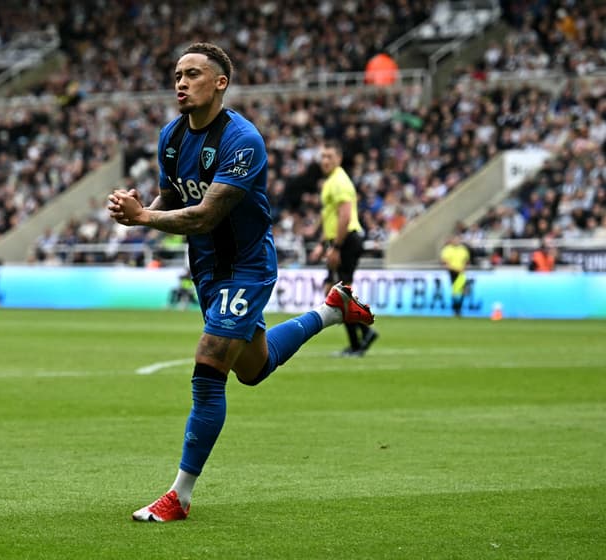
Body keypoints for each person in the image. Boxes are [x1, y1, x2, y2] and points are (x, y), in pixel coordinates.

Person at [107, 42, 374, 523]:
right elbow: (174, 193)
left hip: (247, 267)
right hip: (207, 270)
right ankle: (332, 310)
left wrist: (143, 217)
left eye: (192, 74)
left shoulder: (242, 140)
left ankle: (179, 496)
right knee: (252, 368)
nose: (181, 83)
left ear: (220, 83)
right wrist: (142, 203)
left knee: (209, 360)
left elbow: (208, 213)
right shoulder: (171, 137)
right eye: (176, 75)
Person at [308, 140, 378, 357]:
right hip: (339, 241)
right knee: (332, 291)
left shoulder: (339, 182)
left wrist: (336, 247)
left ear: (338, 158)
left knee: (339, 294)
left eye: (329, 156)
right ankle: (360, 338)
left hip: (347, 241)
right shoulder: (331, 181)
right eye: (323, 156)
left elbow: (345, 216)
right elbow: (330, 216)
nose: (325, 160)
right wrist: (323, 243)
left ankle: (362, 337)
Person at [440, 233, 471, 316]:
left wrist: (463, 268)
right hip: (453, 272)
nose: (456, 241)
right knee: (456, 291)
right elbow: (445, 262)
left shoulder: (463, 249)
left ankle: (458, 308)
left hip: (461, 272)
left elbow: (466, 260)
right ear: (452, 240)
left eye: (458, 239)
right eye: (455, 239)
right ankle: (456, 309)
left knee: (462, 291)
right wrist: (457, 269)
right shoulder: (447, 249)